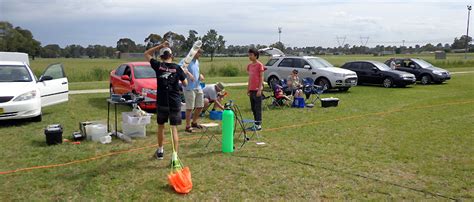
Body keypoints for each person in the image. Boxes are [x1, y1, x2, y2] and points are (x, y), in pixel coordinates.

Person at [144, 41, 193, 161]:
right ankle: (175, 156)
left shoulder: (158, 65)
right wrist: (184, 74)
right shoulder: (178, 68)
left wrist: (160, 45)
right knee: (174, 129)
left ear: (161, 57)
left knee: (161, 127)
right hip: (174, 102)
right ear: (172, 56)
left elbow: (146, 53)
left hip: (162, 102)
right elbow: (185, 84)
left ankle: (160, 151)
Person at [178, 49, 205, 133]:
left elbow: (196, 72)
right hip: (189, 88)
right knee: (190, 108)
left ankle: (194, 122)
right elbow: (180, 68)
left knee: (200, 106)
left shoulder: (197, 61)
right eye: (199, 53)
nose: (200, 55)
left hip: (198, 86)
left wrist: (200, 75)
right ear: (194, 52)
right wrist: (188, 74)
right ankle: (187, 126)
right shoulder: (186, 60)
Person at [247, 48, 264, 131]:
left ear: (256, 56)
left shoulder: (260, 65)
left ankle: (258, 125)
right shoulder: (249, 66)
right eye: (249, 55)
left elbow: (261, 77)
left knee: (258, 108)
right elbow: (250, 78)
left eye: (251, 55)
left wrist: (260, 89)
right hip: (251, 89)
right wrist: (248, 89)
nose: (249, 56)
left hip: (257, 89)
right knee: (253, 108)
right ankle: (255, 123)